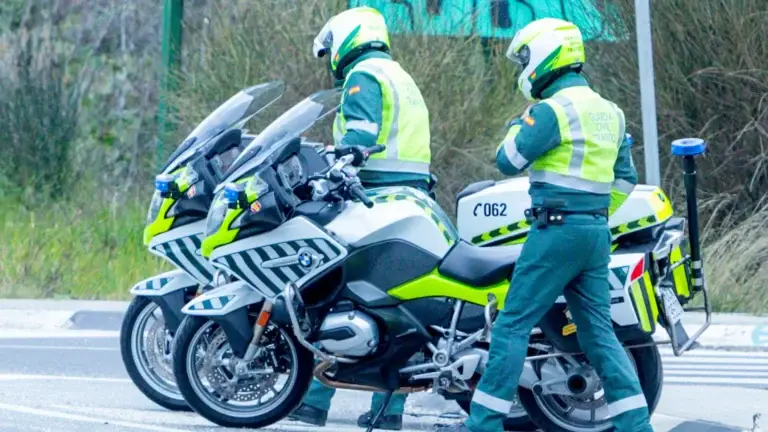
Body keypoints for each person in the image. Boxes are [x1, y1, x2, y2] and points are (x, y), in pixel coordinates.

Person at [437, 18, 653, 432]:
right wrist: (592, 209)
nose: (522, 68)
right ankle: (637, 426)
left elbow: (508, 160)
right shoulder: (612, 112)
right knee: (600, 337)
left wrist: (519, 124)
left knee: (512, 326)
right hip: (594, 233)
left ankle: (481, 424)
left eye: (524, 58)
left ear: (543, 56)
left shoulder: (552, 110)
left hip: (555, 231)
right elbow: (625, 179)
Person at [287, 6, 433, 431]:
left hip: (375, 199)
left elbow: (361, 137)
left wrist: (331, 164)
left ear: (346, 39)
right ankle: (388, 412)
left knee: (333, 293)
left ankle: (313, 400)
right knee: (395, 304)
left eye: (331, 48)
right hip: (410, 199)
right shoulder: (400, 77)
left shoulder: (364, 77)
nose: (332, 58)